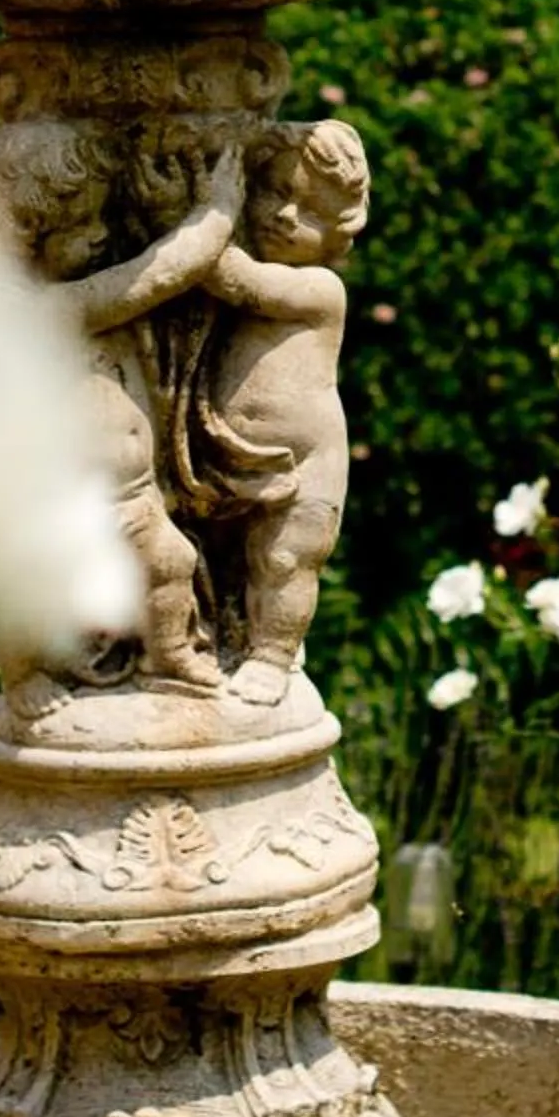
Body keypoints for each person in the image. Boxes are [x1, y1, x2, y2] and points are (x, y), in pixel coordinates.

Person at [0, 124, 242, 694]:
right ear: (24, 232)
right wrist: (215, 215)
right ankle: (25, 682)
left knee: (170, 565)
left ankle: (168, 655)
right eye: (80, 225)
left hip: (133, 494)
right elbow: (154, 279)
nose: (100, 236)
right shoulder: (35, 308)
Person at [196, 121, 369, 704]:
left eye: (312, 211)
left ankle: (273, 656)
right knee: (224, 560)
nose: (286, 216)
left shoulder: (320, 289)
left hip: (305, 463)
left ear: (339, 231)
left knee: (286, 561)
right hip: (229, 457)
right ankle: (233, 637)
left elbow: (233, 279)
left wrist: (208, 208)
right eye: (274, 191)